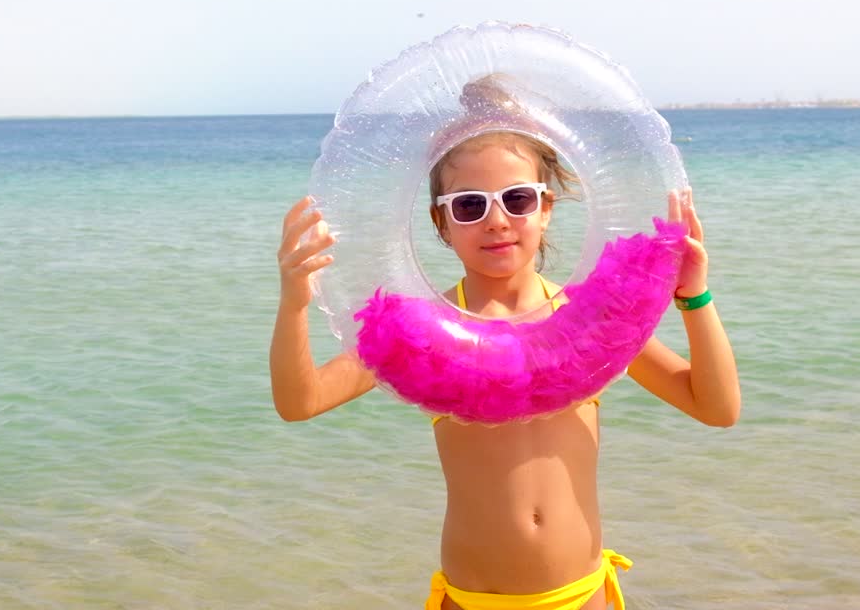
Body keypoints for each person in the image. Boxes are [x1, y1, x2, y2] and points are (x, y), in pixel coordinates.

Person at [270, 76, 740, 610]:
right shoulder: (421, 335)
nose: (497, 221)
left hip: (581, 597)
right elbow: (299, 402)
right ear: (441, 223)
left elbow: (717, 407)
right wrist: (294, 304)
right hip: (474, 600)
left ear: (546, 208)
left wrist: (695, 297)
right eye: (470, 205)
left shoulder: (588, 323)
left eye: (517, 199)